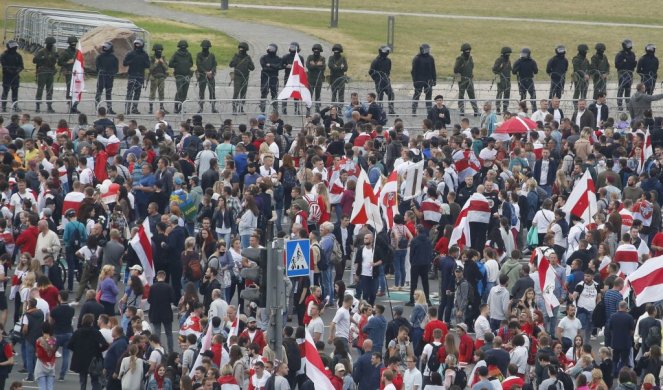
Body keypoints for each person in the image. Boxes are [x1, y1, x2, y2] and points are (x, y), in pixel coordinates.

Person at [68, 313, 109, 390]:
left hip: (81, 359)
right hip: (94, 359)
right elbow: (105, 344)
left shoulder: (78, 332)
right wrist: (98, 350)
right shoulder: (96, 332)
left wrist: (77, 351)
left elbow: (69, 345)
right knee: (95, 380)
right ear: (92, 322)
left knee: (83, 381)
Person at [123, 38, 150, 115]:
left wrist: (142, 62)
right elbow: (124, 63)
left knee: (137, 93)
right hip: (133, 75)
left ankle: (134, 108)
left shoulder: (144, 55)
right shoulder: (131, 54)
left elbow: (148, 65)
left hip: (139, 76)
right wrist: (132, 61)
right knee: (130, 92)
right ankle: (127, 108)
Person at [32, 37, 58, 113]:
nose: (51, 45)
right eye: (50, 44)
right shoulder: (41, 51)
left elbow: (55, 61)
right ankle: (38, 106)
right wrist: (43, 58)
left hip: (50, 72)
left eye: (52, 44)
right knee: (40, 89)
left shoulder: (54, 52)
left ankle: (49, 106)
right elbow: (34, 60)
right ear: (47, 44)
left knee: (50, 90)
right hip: (42, 72)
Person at [229, 42, 255, 113]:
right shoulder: (236, 56)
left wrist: (248, 64)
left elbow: (252, 68)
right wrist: (235, 60)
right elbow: (231, 65)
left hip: (245, 77)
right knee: (236, 92)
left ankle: (241, 108)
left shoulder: (248, 57)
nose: (240, 50)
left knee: (243, 93)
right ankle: (234, 108)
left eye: (242, 49)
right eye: (240, 48)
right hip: (237, 77)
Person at [454, 43, 479, 116]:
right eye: (466, 50)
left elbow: (472, 66)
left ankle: (476, 110)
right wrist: (459, 80)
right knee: (461, 95)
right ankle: (461, 110)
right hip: (462, 80)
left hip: (469, 79)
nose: (468, 52)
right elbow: (455, 70)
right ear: (463, 51)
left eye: (469, 50)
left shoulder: (470, 58)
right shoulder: (460, 59)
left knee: (472, 95)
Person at [369, 45, 395, 114]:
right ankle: (379, 110)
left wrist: (386, 77)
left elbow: (388, 70)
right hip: (379, 82)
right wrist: (377, 79)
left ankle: (391, 109)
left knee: (391, 94)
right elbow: (371, 72)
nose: (387, 52)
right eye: (385, 51)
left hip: (386, 81)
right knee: (380, 96)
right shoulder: (375, 61)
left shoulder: (388, 61)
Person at [411, 43, 436, 114]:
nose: (427, 51)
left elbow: (433, 69)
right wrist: (414, 81)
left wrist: (434, 79)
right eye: (426, 50)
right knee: (417, 94)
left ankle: (429, 111)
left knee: (429, 96)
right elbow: (413, 71)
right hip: (419, 80)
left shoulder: (431, 58)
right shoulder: (417, 58)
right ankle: (414, 110)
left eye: (428, 50)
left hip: (428, 80)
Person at [1, 40, 24, 112]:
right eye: (13, 47)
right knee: (5, 91)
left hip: (15, 76)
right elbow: (4, 65)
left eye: (15, 47)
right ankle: (3, 106)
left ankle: (15, 106)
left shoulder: (18, 56)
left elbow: (21, 66)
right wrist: (10, 71)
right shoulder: (3, 55)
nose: (14, 49)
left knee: (15, 92)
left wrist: (17, 71)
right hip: (7, 76)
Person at [513, 47, 538, 112]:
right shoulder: (518, 61)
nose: (523, 56)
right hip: (522, 80)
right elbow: (513, 72)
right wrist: (518, 68)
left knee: (533, 96)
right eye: (522, 54)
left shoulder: (532, 62)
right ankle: (523, 110)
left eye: (524, 54)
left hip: (529, 80)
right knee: (523, 96)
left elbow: (536, 71)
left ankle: (534, 110)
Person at [196, 39, 218, 113]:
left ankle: (213, 107)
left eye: (206, 47)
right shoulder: (199, 55)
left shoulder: (212, 55)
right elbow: (199, 65)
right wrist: (206, 72)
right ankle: (201, 107)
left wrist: (211, 71)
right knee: (201, 92)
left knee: (212, 91)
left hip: (211, 76)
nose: (205, 49)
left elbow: (214, 64)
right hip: (202, 76)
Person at [259, 43, 281, 113]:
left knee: (274, 93)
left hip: (274, 78)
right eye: (269, 48)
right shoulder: (263, 57)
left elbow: (279, 66)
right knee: (264, 92)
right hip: (265, 77)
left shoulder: (278, 58)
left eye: (272, 48)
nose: (270, 49)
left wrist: (270, 65)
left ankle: (275, 110)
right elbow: (264, 67)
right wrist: (274, 67)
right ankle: (262, 109)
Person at [616, 39, 637, 111]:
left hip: (630, 73)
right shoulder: (620, 54)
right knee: (621, 89)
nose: (630, 47)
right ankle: (619, 104)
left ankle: (628, 104)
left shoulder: (632, 54)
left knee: (628, 89)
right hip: (622, 73)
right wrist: (624, 63)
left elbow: (633, 63)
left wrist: (632, 64)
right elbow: (617, 65)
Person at [148, 43, 169, 115]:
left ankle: (161, 107)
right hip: (154, 78)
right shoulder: (152, 58)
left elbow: (166, 68)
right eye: (157, 50)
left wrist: (162, 63)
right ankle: (150, 108)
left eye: (160, 51)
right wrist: (156, 63)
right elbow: (150, 69)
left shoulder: (163, 58)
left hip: (161, 78)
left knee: (161, 93)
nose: (159, 52)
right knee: (152, 94)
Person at [306, 44, 326, 113]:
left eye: (318, 50)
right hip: (310, 79)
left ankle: (317, 108)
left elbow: (323, 68)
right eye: (315, 50)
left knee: (318, 94)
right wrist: (317, 65)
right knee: (309, 94)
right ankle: (308, 108)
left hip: (318, 79)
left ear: (320, 51)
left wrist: (313, 65)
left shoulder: (322, 58)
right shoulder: (310, 57)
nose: (316, 51)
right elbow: (308, 67)